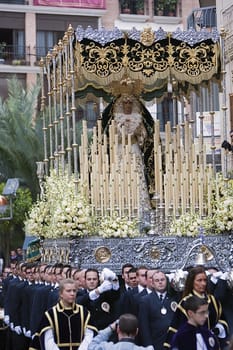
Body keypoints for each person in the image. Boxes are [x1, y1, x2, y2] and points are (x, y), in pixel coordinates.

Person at [102, 81, 155, 212]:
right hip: (120, 150)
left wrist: (137, 132)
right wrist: (119, 132)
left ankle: (140, 205)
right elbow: (108, 138)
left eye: (130, 103)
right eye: (125, 103)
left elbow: (145, 139)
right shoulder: (115, 119)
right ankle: (119, 204)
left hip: (133, 149)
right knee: (120, 174)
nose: (127, 106)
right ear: (120, 104)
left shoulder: (138, 118)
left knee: (136, 175)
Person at [164, 266, 228, 349]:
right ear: (192, 282)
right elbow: (176, 327)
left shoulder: (213, 300)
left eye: (205, 280)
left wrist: (218, 328)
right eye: (199, 280)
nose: (203, 283)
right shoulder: (185, 303)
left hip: (212, 343)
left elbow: (222, 320)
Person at [30, 278, 97, 350]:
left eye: (74, 291)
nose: (72, 294)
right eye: (68, 291)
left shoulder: (84, 312)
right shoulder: (51, 314)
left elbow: (89, 335)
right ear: (61, 294)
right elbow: (48, 340)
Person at [138, 270, 178, 350]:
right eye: (157, 280)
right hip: (156, 343)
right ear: (152, 283)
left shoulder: (175, 298)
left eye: (162, 280)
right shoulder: (145, 300)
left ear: (167, 281)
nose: (160, 282)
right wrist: (148, 345)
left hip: (174, 342)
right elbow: (144, 326)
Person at [88, 313, 154, 350]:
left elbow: (92, 345)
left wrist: (110, 328)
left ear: (118, 329)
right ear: (136, 331)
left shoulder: (106, 347)